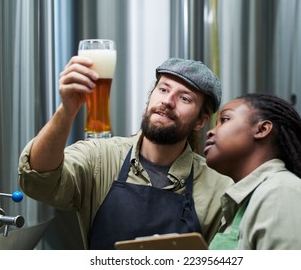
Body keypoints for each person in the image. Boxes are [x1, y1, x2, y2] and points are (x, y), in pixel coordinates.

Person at [18, 57, 232, 249]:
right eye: (164, 89)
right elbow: (38, 181)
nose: (167, 101)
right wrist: (66, 109)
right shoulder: (100, 157)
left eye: (184, 98)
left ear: (201, 121)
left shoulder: (219, 188)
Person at [204, 93, 301, 250]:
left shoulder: (281, 193)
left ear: (262, 129)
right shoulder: (250, 200)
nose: (211, 131)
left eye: (225, 120)